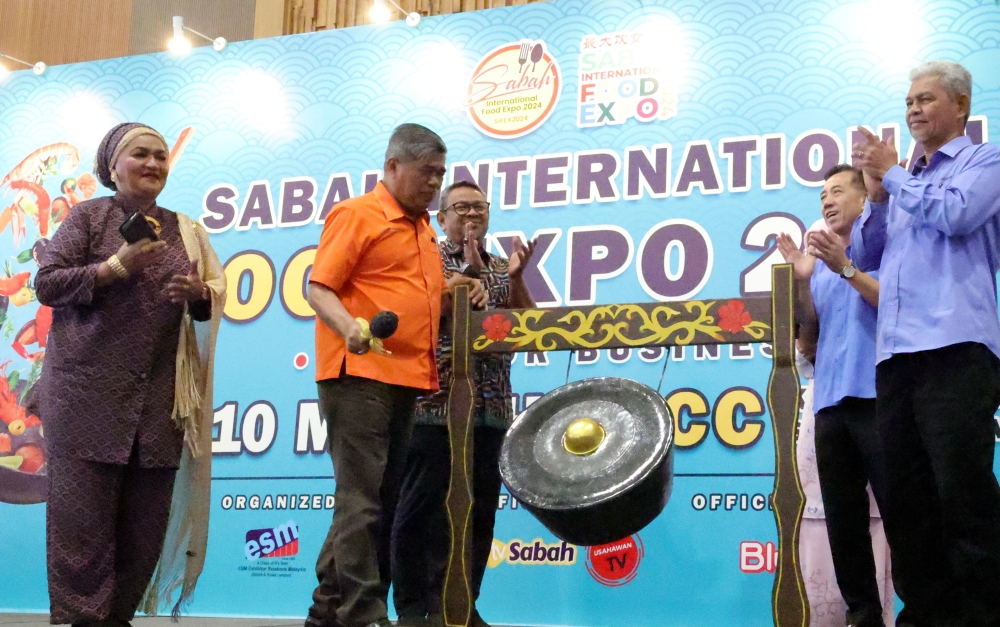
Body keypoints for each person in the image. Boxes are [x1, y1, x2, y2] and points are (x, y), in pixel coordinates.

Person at [32, 122, 225, 626]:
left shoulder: (185, 230)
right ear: (112, 166)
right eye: (141, 154)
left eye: (161, 156)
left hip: (158, 409)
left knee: (142, 536)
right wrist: (113, 267)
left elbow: (210, 301)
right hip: (84, 402)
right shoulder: (88, 218)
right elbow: (46, 283)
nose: (154, 164)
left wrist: (198, 294)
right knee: (82, 535)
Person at [305, 124, 484, 627]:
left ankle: (325, 613)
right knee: (362, 500)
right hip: (358, 370)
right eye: (427, 172)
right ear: (392, 167)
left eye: (440, 174)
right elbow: (318, 288)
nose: (434, 183)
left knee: (374, 500)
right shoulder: (357, 213)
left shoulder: (425, 228)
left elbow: (421, 299)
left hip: (407, 376)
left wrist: (461, 294)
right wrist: (350, 330)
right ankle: (363, 614)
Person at [852, 60, 1000, 626]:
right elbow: (867, 256)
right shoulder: (902, 181)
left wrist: (894, 178)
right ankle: (926, 614)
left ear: (960, 107)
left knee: (962, 493)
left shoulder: (982, 161)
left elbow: (957, 215)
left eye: (927, 99)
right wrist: (878, 197)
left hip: (956, 349)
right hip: (894, 358)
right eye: (909, 100)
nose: (913, 109)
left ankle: (983, 613)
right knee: (906, 501)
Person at [390, 181, 536, 627]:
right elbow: (412, 319)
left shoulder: (497, 265)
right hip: (433, 409)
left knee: (480, 511)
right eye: (461, 207)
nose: (472, 214)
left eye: (479, 206)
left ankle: (461, 607)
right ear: (442, 217)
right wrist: (457, 285)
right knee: (421, 508)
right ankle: (414, 608)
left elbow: (526, 328)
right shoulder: (427, 261)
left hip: (490, 410)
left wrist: (514, 280)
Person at [779, 168, 893, 627]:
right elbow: (809, 339)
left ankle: (923, 611)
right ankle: (862, 615)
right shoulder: (821, 266)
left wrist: (844, 268)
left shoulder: (886, 247)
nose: (827, 201)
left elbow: (894, 303)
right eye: (822, 195)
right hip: (829, 405)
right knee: (844, 524)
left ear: (865, 198)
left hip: (880, 399)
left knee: (903, 515)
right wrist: (805, 279)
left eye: (838, 191)